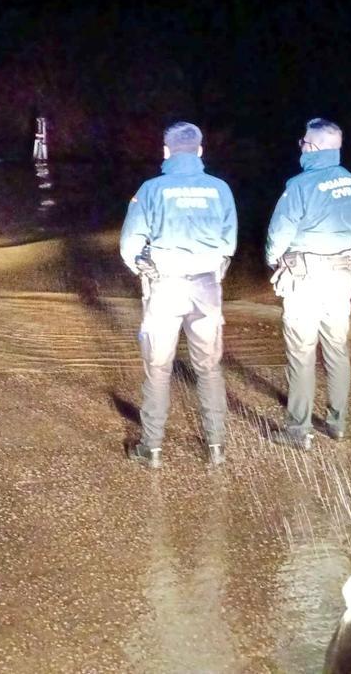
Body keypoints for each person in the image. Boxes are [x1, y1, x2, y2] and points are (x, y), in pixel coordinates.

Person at [120, 122, 237, 468]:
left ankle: (151, 449)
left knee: (158, 367)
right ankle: (216, 447)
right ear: (200, 151)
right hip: (206, 286)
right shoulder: (221, 189)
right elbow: (228, 242)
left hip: (165, 286)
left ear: (165, 151)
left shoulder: (151, 189)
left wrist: (141, 267)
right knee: (209, 367)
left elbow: (130, 243)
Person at [265, 117, 351, 450]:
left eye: (305, 144)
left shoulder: (299, 186)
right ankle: (337, 423)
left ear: (317, 147)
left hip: (305, 277)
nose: (302, 148)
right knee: (337, 349)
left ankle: (299, 430)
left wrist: (273, 258)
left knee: (301, 351)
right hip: (341, 274)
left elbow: (279, 233)